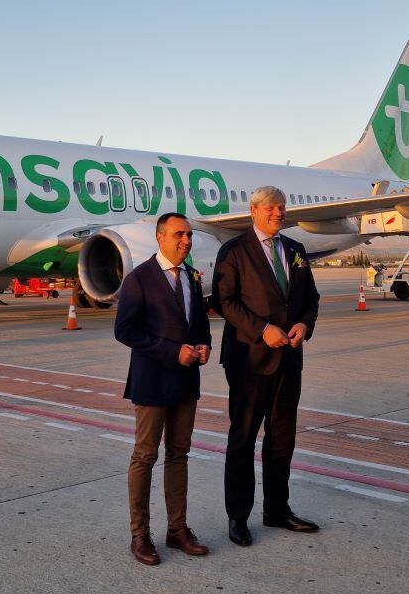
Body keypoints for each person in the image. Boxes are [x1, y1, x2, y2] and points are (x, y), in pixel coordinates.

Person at [210, 186, 321, 547]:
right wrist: (263, 330)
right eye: (272, 208)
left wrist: (304, 324)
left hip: (289, 359)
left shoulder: (295, 250)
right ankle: (238, 516)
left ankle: (277, 509)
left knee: (281, 438)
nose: (279, 213)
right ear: (255, 210)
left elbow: (311, 299)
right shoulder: (234, 251)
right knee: (243, 438)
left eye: (282, 207)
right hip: (249, 360)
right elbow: (224, 301)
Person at [113, 212, 212, 565]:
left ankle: (177, 529)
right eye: (179, 235)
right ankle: (140, 535)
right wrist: (174, 352)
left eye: (189, 235)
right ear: (160, 237)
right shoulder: (139, 278)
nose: (186, 240)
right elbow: (124, 330)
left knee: (179, 455)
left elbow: (199, 323)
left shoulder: (193, 277)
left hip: (186, 382)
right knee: (145, 456)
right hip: (153, 381)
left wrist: (203, 345)